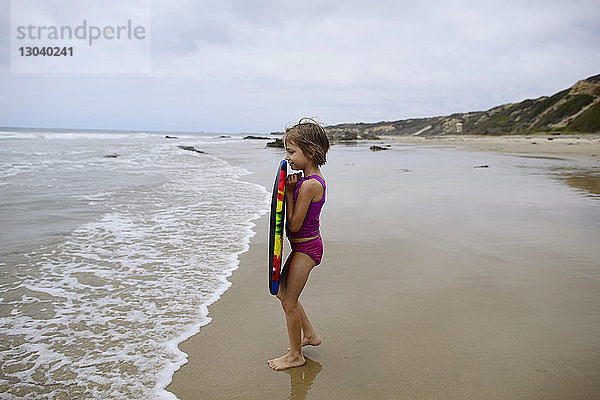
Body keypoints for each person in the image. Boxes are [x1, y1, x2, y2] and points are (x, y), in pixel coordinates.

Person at [268, 118, 330, 371]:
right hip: (303, 247)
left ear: (311, 152)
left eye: (292, 151)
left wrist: (290, 194)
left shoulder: (309, 185)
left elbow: (293, 225)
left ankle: (296, 355)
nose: (287, 157)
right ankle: (310, 336)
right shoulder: (309, 181)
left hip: (307, 249)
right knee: (284, 294)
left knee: (288, 302)